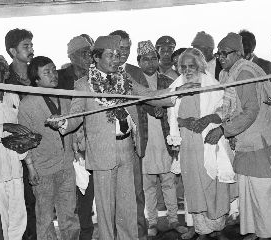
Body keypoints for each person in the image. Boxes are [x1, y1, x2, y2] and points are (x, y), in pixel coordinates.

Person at [47, 35, 198, 240]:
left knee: (128, 205)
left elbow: (148, 95)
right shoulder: (83, 85)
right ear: (97, 58)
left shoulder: (124, 79)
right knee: (106, 207)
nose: (116, 59)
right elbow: (75, 116)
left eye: (118, 55)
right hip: (102, 153)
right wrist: (62, 122)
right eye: (110, 55)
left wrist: (177, 91)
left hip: (127, 148)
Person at [205, 32, 271, 240]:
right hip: (246, 143)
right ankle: (258, 232)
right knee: (249, 192)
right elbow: (230, 106)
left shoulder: (244, 73)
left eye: (225, 53)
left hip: (260, 143)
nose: (221, 57)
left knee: (265, 193)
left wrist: (223, 130)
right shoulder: (229, 72)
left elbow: (250, 112)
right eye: (219, 53)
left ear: (238, 53)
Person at [171, 48, 232, 240]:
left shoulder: (212, 85)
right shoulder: (177, 86)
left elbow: (225, 111)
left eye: (192, 66)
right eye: (184, 67)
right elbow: (172, 117)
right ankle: (201, 230)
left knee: (213, 184)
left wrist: (206, 120)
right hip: (188, 142)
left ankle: (218, 228)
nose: (188, 70)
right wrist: (185, 122)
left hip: (210, 139)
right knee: (194, 184)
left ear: (200, 66)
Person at [18, 56, 80, 240]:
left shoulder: (64, 97)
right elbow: (24, 138)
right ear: (36, 79)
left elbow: (72, 128)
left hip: (66, 165)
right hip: (43, 169)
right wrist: (30, 168)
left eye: (54, 70)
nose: (53, 75)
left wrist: (75, 148)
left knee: (69, 215)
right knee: (44, 219)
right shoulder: (27, 103)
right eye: (47, 72)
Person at [136, 40, 187, 237]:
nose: (150, 63)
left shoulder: (168, 82)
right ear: (139, 61)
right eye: (145, 59)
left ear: (158, 60)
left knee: (168, 181)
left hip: (166, 138)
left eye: (153, 59)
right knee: (148, 184)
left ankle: (173, 219)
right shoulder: (135, 83)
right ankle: (153, 221)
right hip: (145, 140)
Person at [0, 55, 31, 240]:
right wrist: (4, 127)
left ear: (6, 74)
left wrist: (25, 147)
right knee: (0, 221)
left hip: (15, 168)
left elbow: (20, 126)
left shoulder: (13, 96)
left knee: (18, 219)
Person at [109, 29, 147, 240]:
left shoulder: (135, 71)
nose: (124, 52)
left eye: (127, 48)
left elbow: (146, 102)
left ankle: (140, 234)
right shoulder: (97, 73)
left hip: (133, 142)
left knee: (137, 192)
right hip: (109, 146)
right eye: (119, 48)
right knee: (114, 197)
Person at [4, 28, 36, 240]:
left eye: (32, 45)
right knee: (25, 201)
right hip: (21, 149)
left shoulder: (37, 73)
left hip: (44, 141)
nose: (31, 50)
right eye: (26, 46)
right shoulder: (4, 80)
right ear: (12, 51)